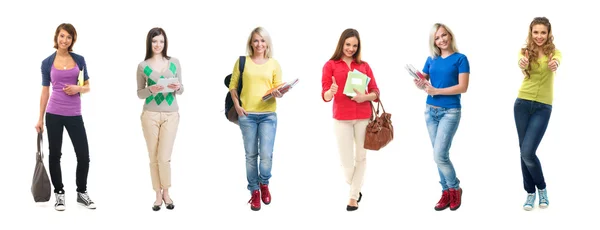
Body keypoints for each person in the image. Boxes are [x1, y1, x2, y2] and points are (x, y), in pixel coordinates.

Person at [35, 23, 96, 211]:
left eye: (69, 37)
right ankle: (59, 194)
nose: (65, 40)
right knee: (55, 155)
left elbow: (87, 86)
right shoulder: (47, 62)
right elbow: (45, 91)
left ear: (72, 40)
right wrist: (40, 118)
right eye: (62, 36)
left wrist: (78, 88)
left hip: (74, 113)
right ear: (57, 37)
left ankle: (82, 192)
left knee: (83, 155)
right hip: (53, 113)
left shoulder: (79, 60)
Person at [321, 28, 380, 211]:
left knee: (361, 157)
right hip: (341, 118)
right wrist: (330, 92)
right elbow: (325, 95)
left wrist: (365, 97)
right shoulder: (330, 65)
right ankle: (355, 185)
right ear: (341, 44)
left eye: (355, 45)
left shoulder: (364, 65)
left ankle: (353, 196)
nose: (351, 49)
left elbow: (376, 93)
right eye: (348, 44)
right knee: (346, 162)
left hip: (363, 117)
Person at [413, 23, 470, 211]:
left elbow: (463, 87)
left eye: (444, 35)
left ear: (450, 35)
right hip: (430, 111)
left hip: (450, 112)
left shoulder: (461, 59)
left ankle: (455, 188)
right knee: (439, 156)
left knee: (440, 155)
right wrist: (420, 83)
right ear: (434, 42)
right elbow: (425, 81)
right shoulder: (431, 59)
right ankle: (445, 192)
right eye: (437, 38)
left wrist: (437, 90)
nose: (442, 40)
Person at [229, 26, 284, 211]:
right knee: (251, 155)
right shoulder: (242, 62)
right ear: (251, 43)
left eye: (262, 40)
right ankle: (254, 191)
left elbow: (278, 88)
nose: (259, 44)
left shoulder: (274, 64)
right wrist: (237, 105)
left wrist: (278, 92)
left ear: (267, 43)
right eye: (256, 40)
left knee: (266, 155)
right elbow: (233, 86)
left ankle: (264, 184)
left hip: (268, 115)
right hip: (247, 115)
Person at [515, 17, 561, 211]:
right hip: (522, 104)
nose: (539, 36)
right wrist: (523, 62)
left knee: (528, 152)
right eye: (536, 32)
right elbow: (521, 63)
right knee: (523, 151)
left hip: (543, 106)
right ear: (531, 33)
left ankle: (541, 188)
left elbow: (556, 62)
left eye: (543, 32)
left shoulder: (555, 53)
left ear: (548, 33)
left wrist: (554, 65)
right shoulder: (525, 51)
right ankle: (530, 192)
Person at [136, 27, 184, 211]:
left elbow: (181, 89)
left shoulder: (174, 62)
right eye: (155, 41)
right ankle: (157, 193)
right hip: (150, 115)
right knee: (153, 156)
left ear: (165, 43)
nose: (158, 45)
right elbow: (139, 93)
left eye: (161, 41)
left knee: (164, 157)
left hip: (171, 114)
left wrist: (177, 86)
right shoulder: (143, 66)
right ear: (150, 43)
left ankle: (167, 192)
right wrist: (151, 90)